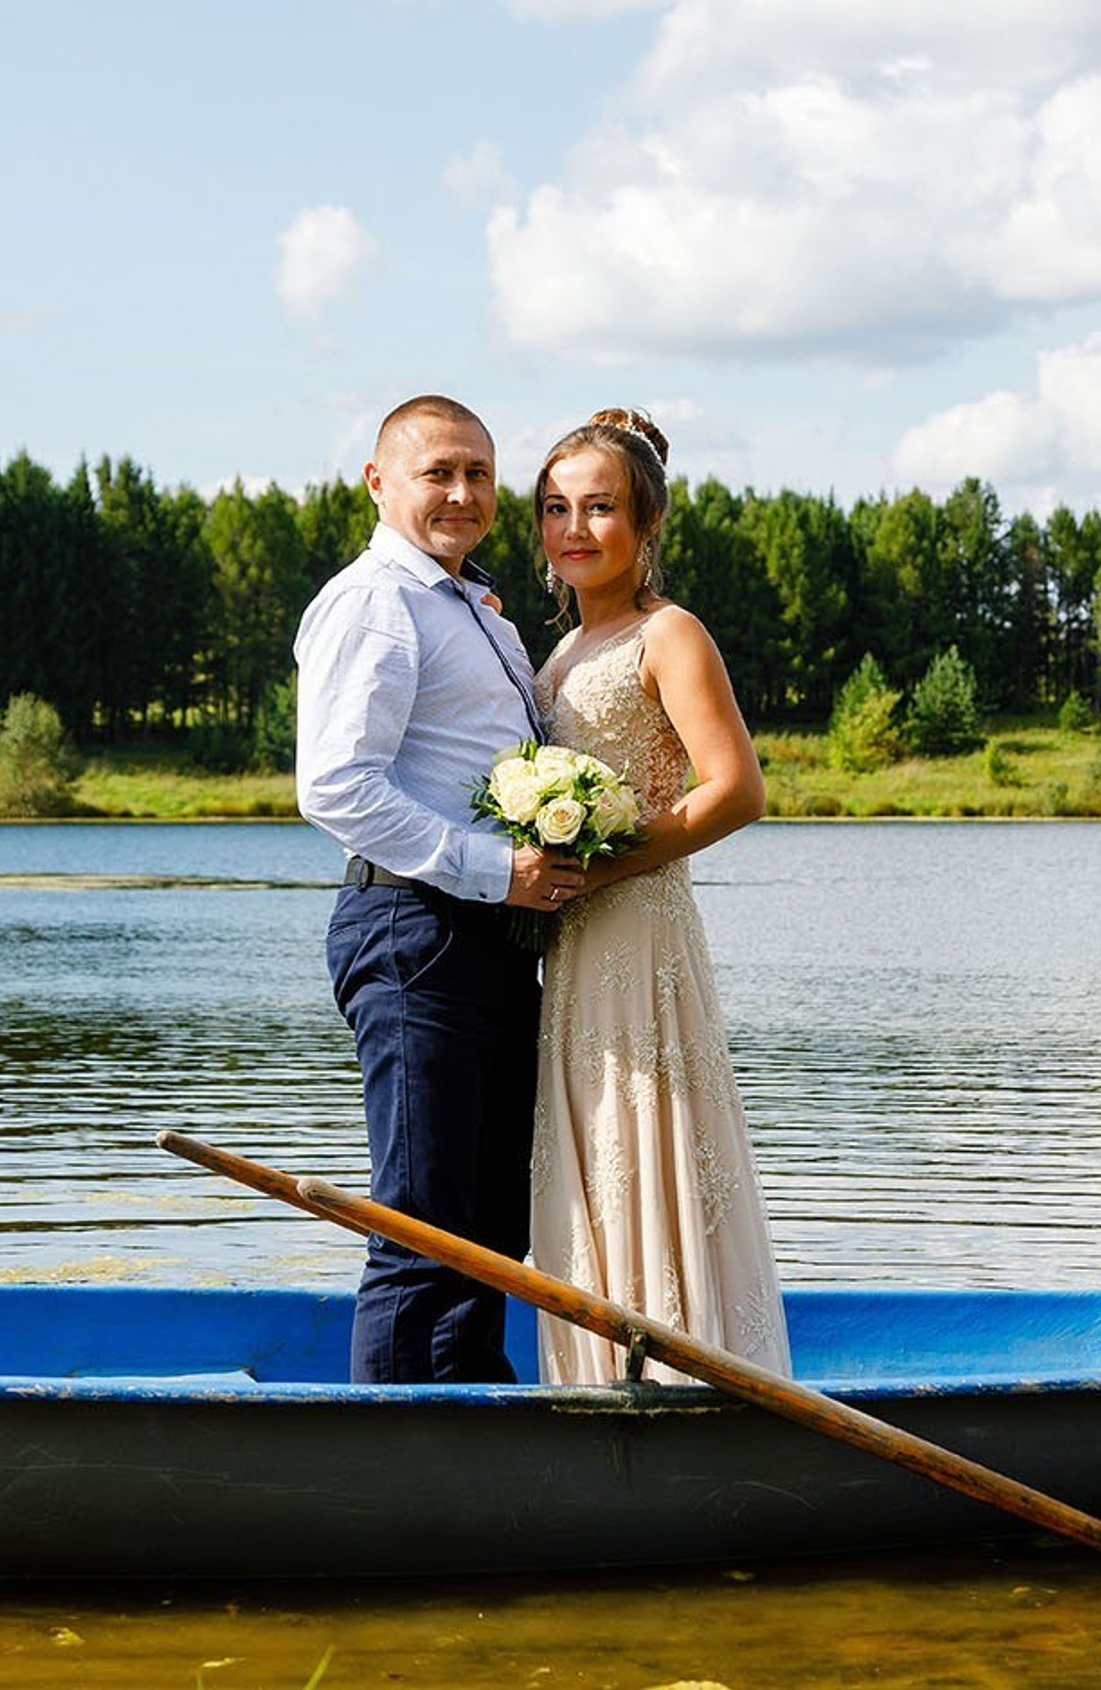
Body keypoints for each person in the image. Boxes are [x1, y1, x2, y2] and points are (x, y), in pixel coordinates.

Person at [295, 394, 586, 1383]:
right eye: (438, 472)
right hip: (414, 931)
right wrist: (500, 868)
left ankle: (470, 1421)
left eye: (478, 474)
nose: (463, 493)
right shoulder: (378, 600)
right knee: (421, 1221)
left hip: (489, 944)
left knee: (492, 1223)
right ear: (378, 482)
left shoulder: (474, 609)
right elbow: (337, 785)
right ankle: (396, 1466)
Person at [528, 408, 790, 1384]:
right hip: (574, 937)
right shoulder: (557, 655)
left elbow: (737, 790)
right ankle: (595, 1366)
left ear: (648, 526)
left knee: (645, 1132)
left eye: (602, 508)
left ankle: (682, 1364)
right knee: (593, 1138)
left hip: (637, 925)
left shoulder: (668, 633)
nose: (575, 530)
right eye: (557, 509)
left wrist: (605, 863)